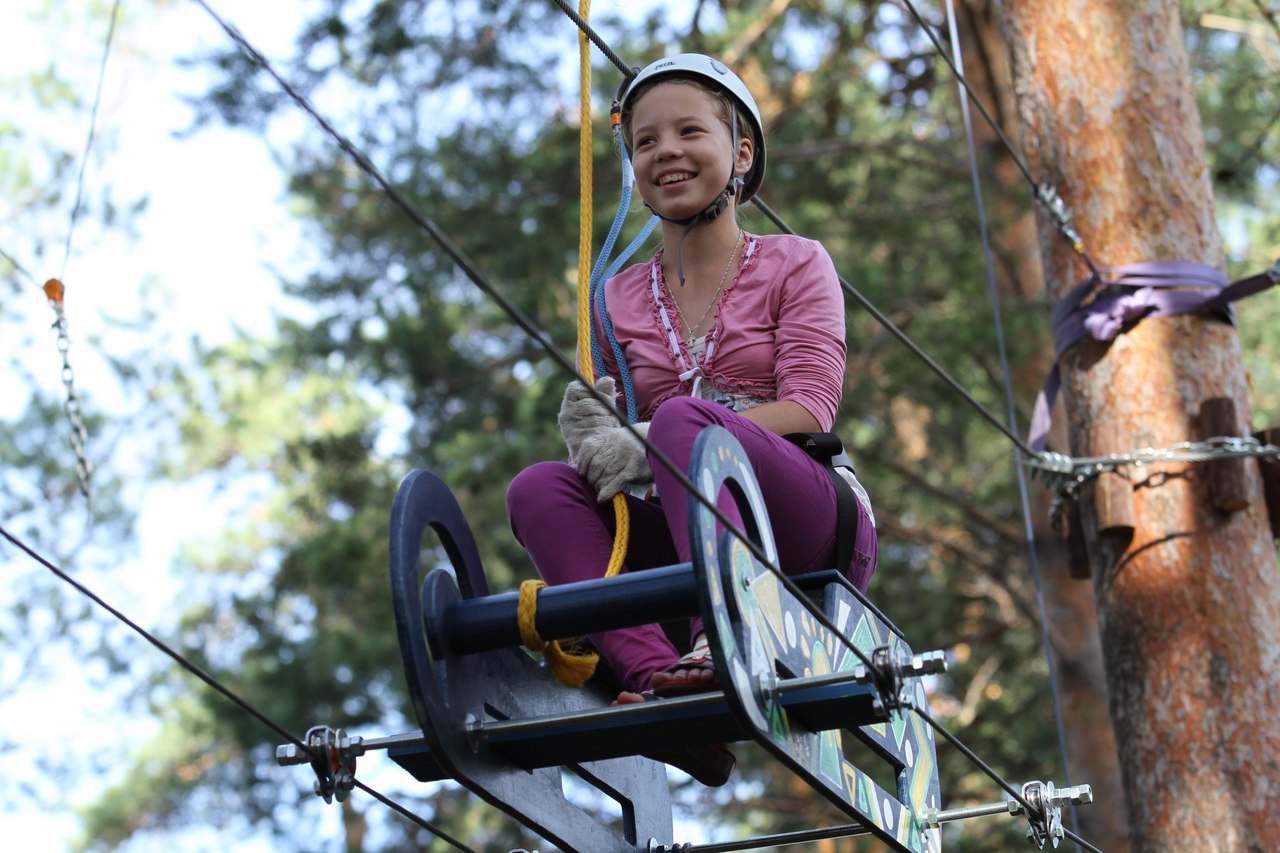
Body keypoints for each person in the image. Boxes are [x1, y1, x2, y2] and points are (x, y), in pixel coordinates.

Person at [505, 54, 877, 785]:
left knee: (683, 424)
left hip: (804, 523)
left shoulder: (795, 262)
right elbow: (631, 448)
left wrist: (655, 439)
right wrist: (597, 437)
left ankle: (726, 637)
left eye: (688, 132)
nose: (665, 151)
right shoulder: (615, 300)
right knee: (538, 489)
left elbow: (809, 406)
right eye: (645, 142)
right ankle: (654, 678)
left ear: (740, 154)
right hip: (693, 543)